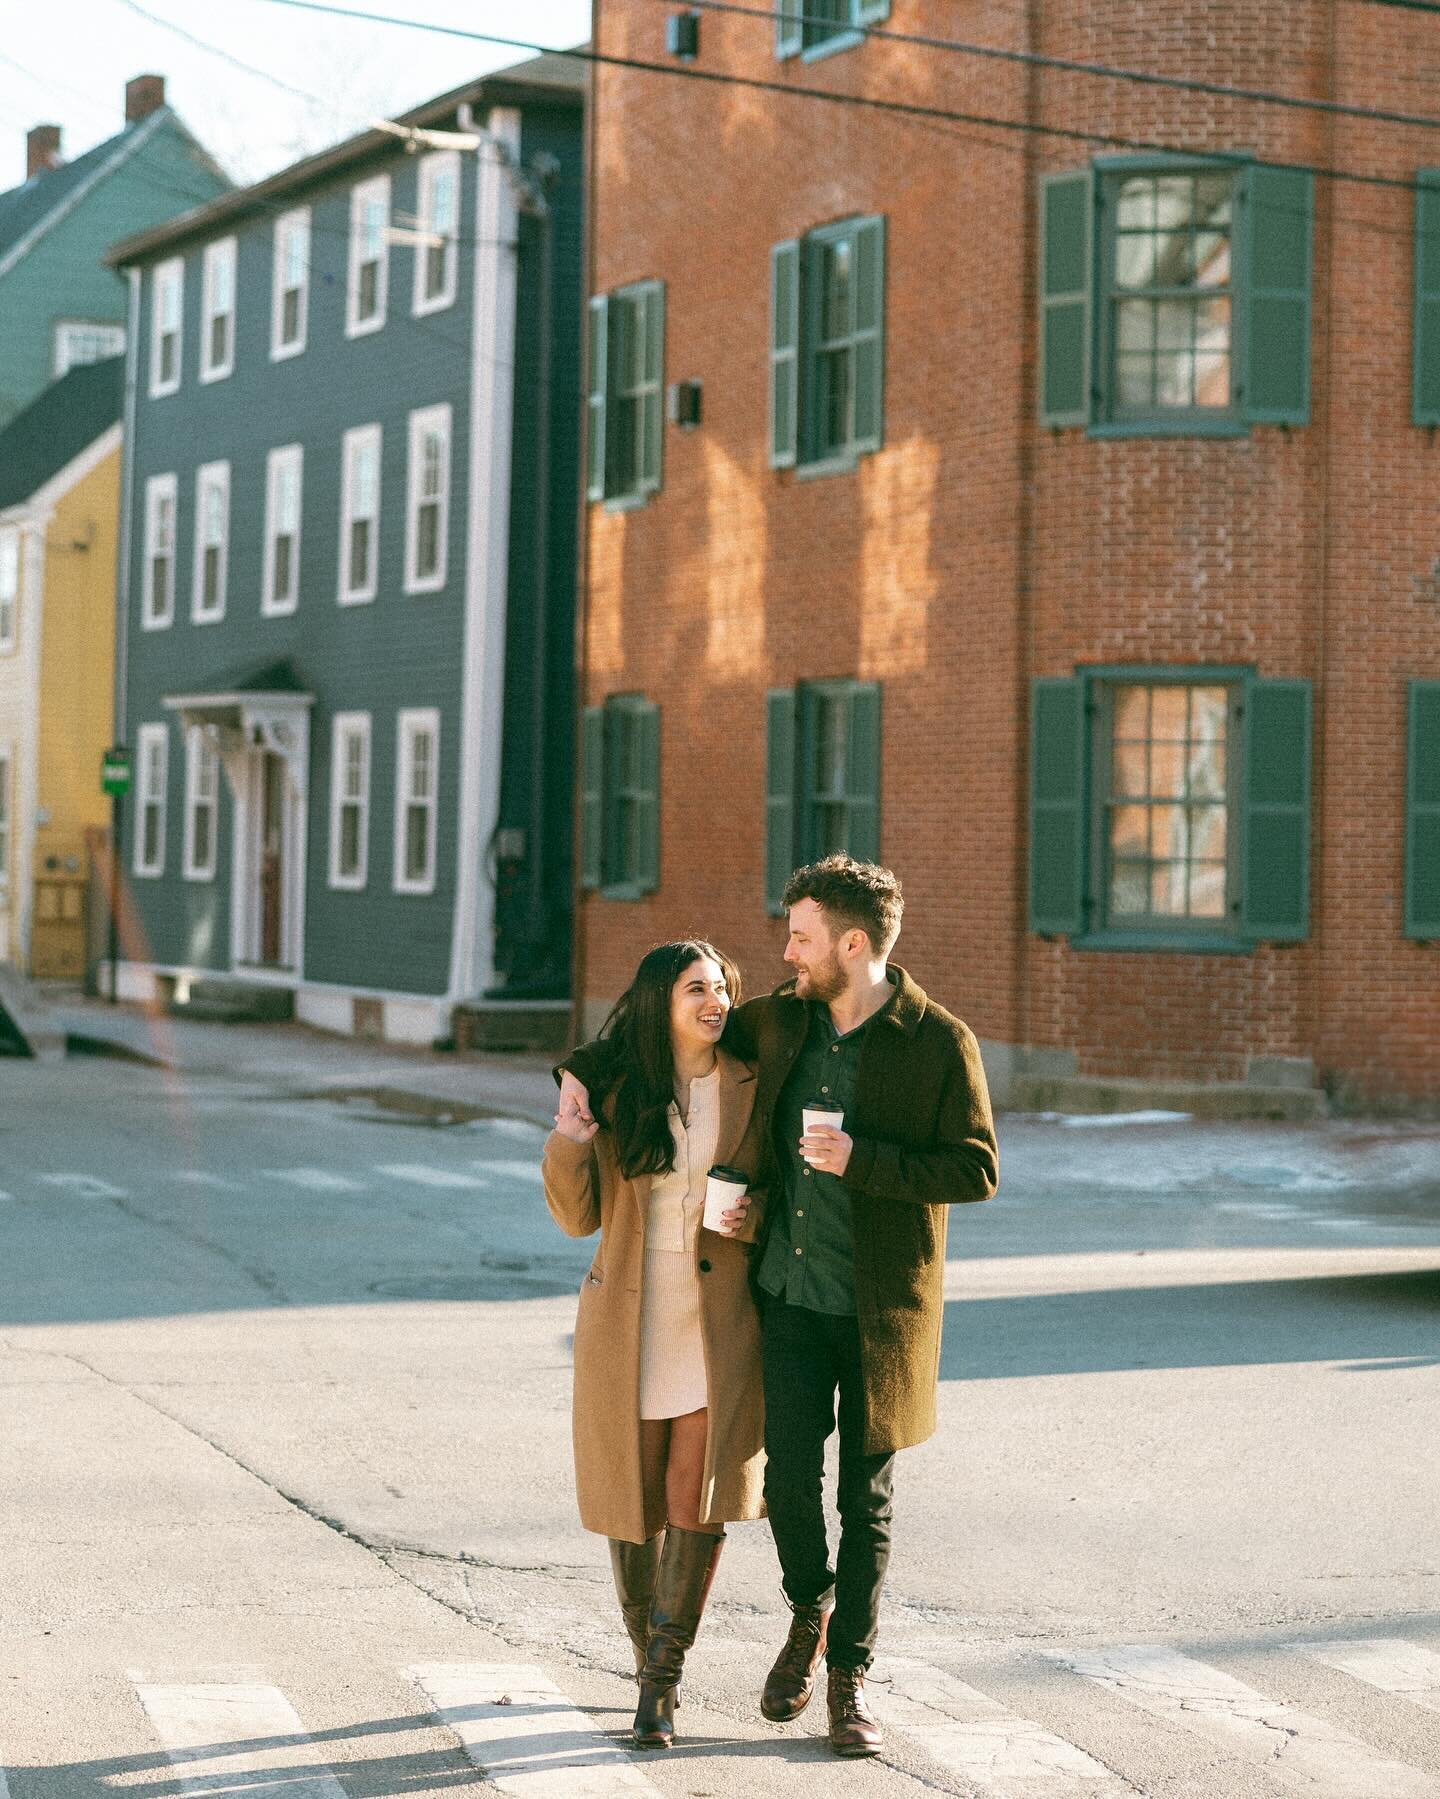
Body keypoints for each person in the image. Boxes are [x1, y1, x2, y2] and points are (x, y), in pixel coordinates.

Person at [557, 857, 999, 1757]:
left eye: (799, 936)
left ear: (851, 942)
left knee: (865, 1502)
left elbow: (976, 1168)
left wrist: (860, 1158)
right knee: (790, 1486)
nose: (783, 953)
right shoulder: (784, 1023)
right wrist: (572, 1074)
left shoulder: (938, 1041)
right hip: (787, 1304)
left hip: (883, 1315)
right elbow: (662, 1025)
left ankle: (847, 1680)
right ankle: (810, 1608)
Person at [542, 938, 768, 1751]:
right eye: (696, 989)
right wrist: (569, 1134)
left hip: (717, 1318)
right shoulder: (618, 1086)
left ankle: (660, 1684)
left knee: (694, 1497)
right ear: (659, 1002)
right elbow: (576, 1217)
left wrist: (757, 1215)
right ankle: (647, 1654)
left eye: (723, 988)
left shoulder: (748, 1081)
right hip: (630, 1318)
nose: (715, 1003)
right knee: (633, 1504)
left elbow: (777, 1183)